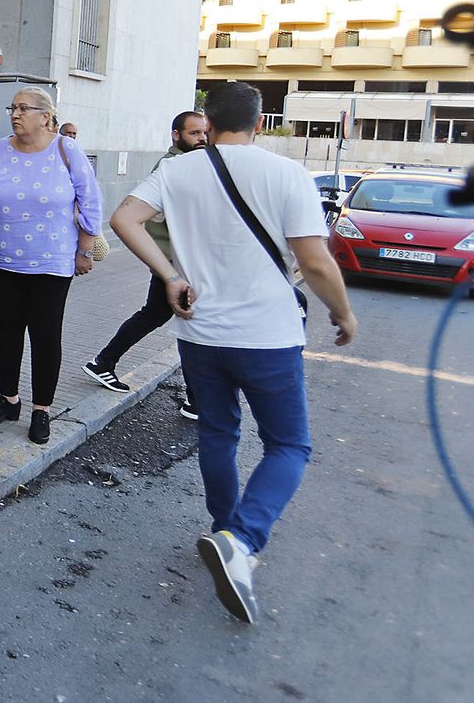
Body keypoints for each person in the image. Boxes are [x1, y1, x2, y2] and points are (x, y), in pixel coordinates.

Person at [110, 82, 356, 624]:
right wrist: (343, 312)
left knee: (219, 434)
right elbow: (313, 262)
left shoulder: (177, 170)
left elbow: (124, 219)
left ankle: (223, 528)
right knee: (289, 445)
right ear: (260, 120)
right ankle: (241, 541)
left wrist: (170, 275)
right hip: (267, 336)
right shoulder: (288, 174)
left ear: (209, 119)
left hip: (200, 334)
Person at [0, 86, 102, 446]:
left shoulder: (66, 149)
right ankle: (8, 399)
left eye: (23, 108)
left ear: (46, 116)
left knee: (45, 336)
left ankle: (41, 409)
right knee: (6, 332)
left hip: (52, 261)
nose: (14, 114)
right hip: (5, 258)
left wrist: (85, 251)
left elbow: (90, 202)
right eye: (11, 107)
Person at [84, 111, 209, 420]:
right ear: (176, 136)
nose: (202, 139)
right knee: (186, 322)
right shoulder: (173, 167)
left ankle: (103, 362)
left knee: (157, 315)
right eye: (194, 133)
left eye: (204, 133)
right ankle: (195, 399)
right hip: (172, 264)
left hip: (171, 263)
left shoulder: (188, 164)